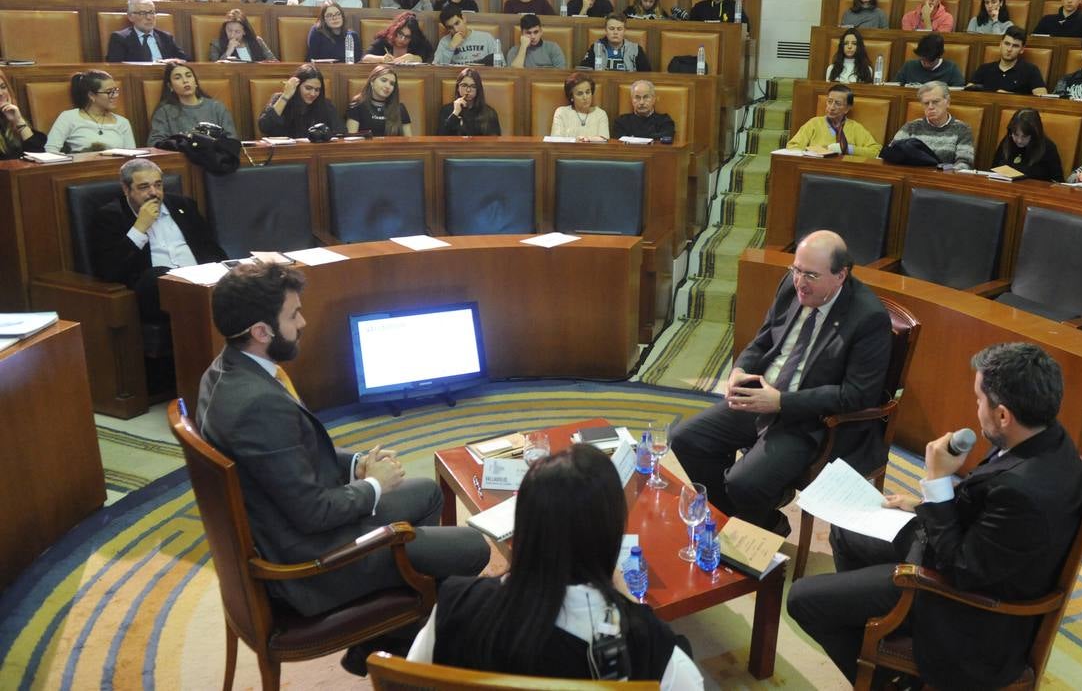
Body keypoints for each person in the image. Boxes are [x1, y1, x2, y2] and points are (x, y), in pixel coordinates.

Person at [196, 262, 491, 626]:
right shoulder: (258, 405)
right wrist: (374, 485)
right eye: (294, 315)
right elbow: (314, 512)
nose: (302, 323)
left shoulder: (224, 370)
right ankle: (409, 625)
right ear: (261, 331)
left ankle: (404, 620)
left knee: (428, 493)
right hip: (313, 563)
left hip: (292, 528)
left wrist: (357, 464)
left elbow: (290, 453)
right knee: (474, 548)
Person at [787, 342, 1082, 690]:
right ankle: (880, 626)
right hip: (969, 552)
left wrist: (936, 482)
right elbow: (992, 523)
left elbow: (961, 569)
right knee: (846, 533)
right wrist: (925, 504)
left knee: (803, 599)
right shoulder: (1048, 435)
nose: (975, 409)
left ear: (1004, 415)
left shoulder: (1023, 491)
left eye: (979, 401)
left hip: (963, 609)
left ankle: (888, 683)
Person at [406, 444, 700, 688]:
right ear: (610, 536)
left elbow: (410, 678)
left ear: (522, 529)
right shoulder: (649, 645)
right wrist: (632, 604)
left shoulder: (454, 604)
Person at [670, 230, 891, 534]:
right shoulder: (791, 286)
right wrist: (740, 370)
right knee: (686, 440)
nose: (800, 281)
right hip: (761, 396)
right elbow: (762, 342)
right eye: (796, 270)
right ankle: (754, 523)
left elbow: (858, 394)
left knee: (743, 482)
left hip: (809, 419)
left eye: (811, 275)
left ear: (841, 276)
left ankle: (756, 520)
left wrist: (781, 402)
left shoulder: (868, 318)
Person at [91, 155, 224, 318]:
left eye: (158, 185)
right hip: (157, 291)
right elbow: (109, 270)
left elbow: (210, 247)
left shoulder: (183, 205)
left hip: (202, 281)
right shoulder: (111, 216)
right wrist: (139, 228)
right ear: (126, 189)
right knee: (157, 275)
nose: (153, 193)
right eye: (144, 187)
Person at [45, 70, 137, 153]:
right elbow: (50, 149)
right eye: (109, 92)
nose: (115, 95)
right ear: (91, 95)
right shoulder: (69, 117)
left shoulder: (123, 122)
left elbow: (132, 155)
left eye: (116, 91)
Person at [148, 63, 239, 145]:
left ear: (195, 81)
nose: (185, 81)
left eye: (188, 76)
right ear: (170, 86)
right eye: (178, 78)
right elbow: (154, 143)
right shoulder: (164, 112)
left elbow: (232, 140)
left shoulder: (217, 107)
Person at [891, 82, 974, 169]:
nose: (930, 107)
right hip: (913, 177)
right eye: (926, 103)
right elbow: (892, 153)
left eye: (935, 102)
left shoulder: (962, 129)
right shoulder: (911, 127)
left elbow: (965, 163)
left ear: (948, 102)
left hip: (944, 179)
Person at [786, 85, 881, 158]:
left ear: (847, 108)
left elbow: (875, 151)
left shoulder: (855, 127)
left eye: (838, 103)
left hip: (846, 173)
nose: (831, 107)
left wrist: (847, 149)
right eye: (829, 101)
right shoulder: (814, 123)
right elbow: (792, 146)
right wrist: (811, 153)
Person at [259, 63, 344, 139]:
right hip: (284, 153)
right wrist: (286, 96)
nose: (313, 94)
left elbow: (340, 133)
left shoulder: (325, 105)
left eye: (317, 90)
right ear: (297, 86)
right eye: (308, 88)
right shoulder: (280, 100)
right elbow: (265, 126)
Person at [106, 0, 188, 64]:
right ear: (131, 16)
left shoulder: (165, 37)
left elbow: (186, 61)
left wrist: (176, 61)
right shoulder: (119, 38)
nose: (149, 17)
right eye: (142, 13)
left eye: (152, 12)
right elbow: (116, 66)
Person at [968, 27, 1047, 95]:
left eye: (1015, 46)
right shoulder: (984, 69)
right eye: (1007, 44)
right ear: (1000, 44)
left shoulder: (1031, 70)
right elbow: (968, 92)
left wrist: (1010, 97)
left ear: (1022, 49)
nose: (1009, 49)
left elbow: (1042, 97)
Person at [991, 108, 1063, 182]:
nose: (1019, 140)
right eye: (1016, 135)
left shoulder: (1048, 148)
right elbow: (993, 170)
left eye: (1024, 136)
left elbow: (1058, 182)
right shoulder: (1007, 141)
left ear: (1035, 134)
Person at [346, 64, 412, 137]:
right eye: (383, 80)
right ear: (372, 81)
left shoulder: (399, 108)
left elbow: (409, 141)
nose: (387, 86)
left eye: (392, 84)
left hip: (394, 148)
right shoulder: (357, 105)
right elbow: (351, 141)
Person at [436, 67, 501, 136]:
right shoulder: (447, 110)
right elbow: (440, 138)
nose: (468, 90)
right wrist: (455, 114)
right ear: (458, 88)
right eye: (464, 85)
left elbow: (495, 142)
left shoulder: (489, 113)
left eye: (473, 86)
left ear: (478, 89)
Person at [0, 68, 47, 159]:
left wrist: (18, 120)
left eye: (3, 87)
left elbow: (38, 155)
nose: (1, 93)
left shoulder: (10, 116)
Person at [579, 14, 651, 72]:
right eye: (611, 28)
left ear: (624, 30)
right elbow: (584, 70)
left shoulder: (635, 49)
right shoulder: (596, 47)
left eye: (619, 29)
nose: (615, 32)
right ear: (605, 30)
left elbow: (646, 74)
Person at [611, 79, 676, 142]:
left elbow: (667, 138)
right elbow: (618, 143)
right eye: (637, 97)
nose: (641, 102)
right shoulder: (621, 122)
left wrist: (633, 138)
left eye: (646, 97)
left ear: (653, 99)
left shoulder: (665, 121)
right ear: (632, 100)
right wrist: (652, 137)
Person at [550, 73, 608, 141]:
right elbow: (555, 141)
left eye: (588, 92)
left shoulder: (600, 114)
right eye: (580, 94)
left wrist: (588, 139)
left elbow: (605, 140)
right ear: (571, 97)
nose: (585, 97)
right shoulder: (561, 112)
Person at [893, 32, 963, 87]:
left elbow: (959, 90)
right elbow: (895, 86)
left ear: (939, 56)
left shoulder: (951, 68)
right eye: (923, 59)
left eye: (930, 61)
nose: (926, 64)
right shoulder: (909, 66)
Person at [207, 9, 277, 62]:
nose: (232, 35)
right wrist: (228, 51)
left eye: (237, 31)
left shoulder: (257, 41)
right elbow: (214, 68)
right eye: (229, 30)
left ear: (244, 32)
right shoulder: (216, 44)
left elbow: (274, 62)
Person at [362, 12, 434, 64]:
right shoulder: (384, 39)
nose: (402, 39)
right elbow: (365, 58)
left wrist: (414, 58)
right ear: (394, 30)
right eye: (400, 34)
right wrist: (381, 59)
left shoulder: (419, 42)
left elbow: (430, 58)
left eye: (408, 37)